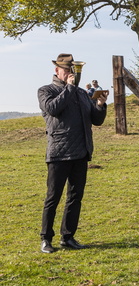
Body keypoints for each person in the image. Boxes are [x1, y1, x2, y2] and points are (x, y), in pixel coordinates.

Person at [38, 53, 108, 253]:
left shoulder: (81, 93)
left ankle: (67, 237)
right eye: (68, 70)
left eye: (74, 71)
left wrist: (100, 105)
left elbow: (96, 120)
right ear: (57, 70)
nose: (71, 74)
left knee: (75, 197)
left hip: (81, 152)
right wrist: (69, 87)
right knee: (53, 197)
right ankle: (46, 239)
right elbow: (53, 109)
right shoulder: (46, 91)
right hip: (59, 153)